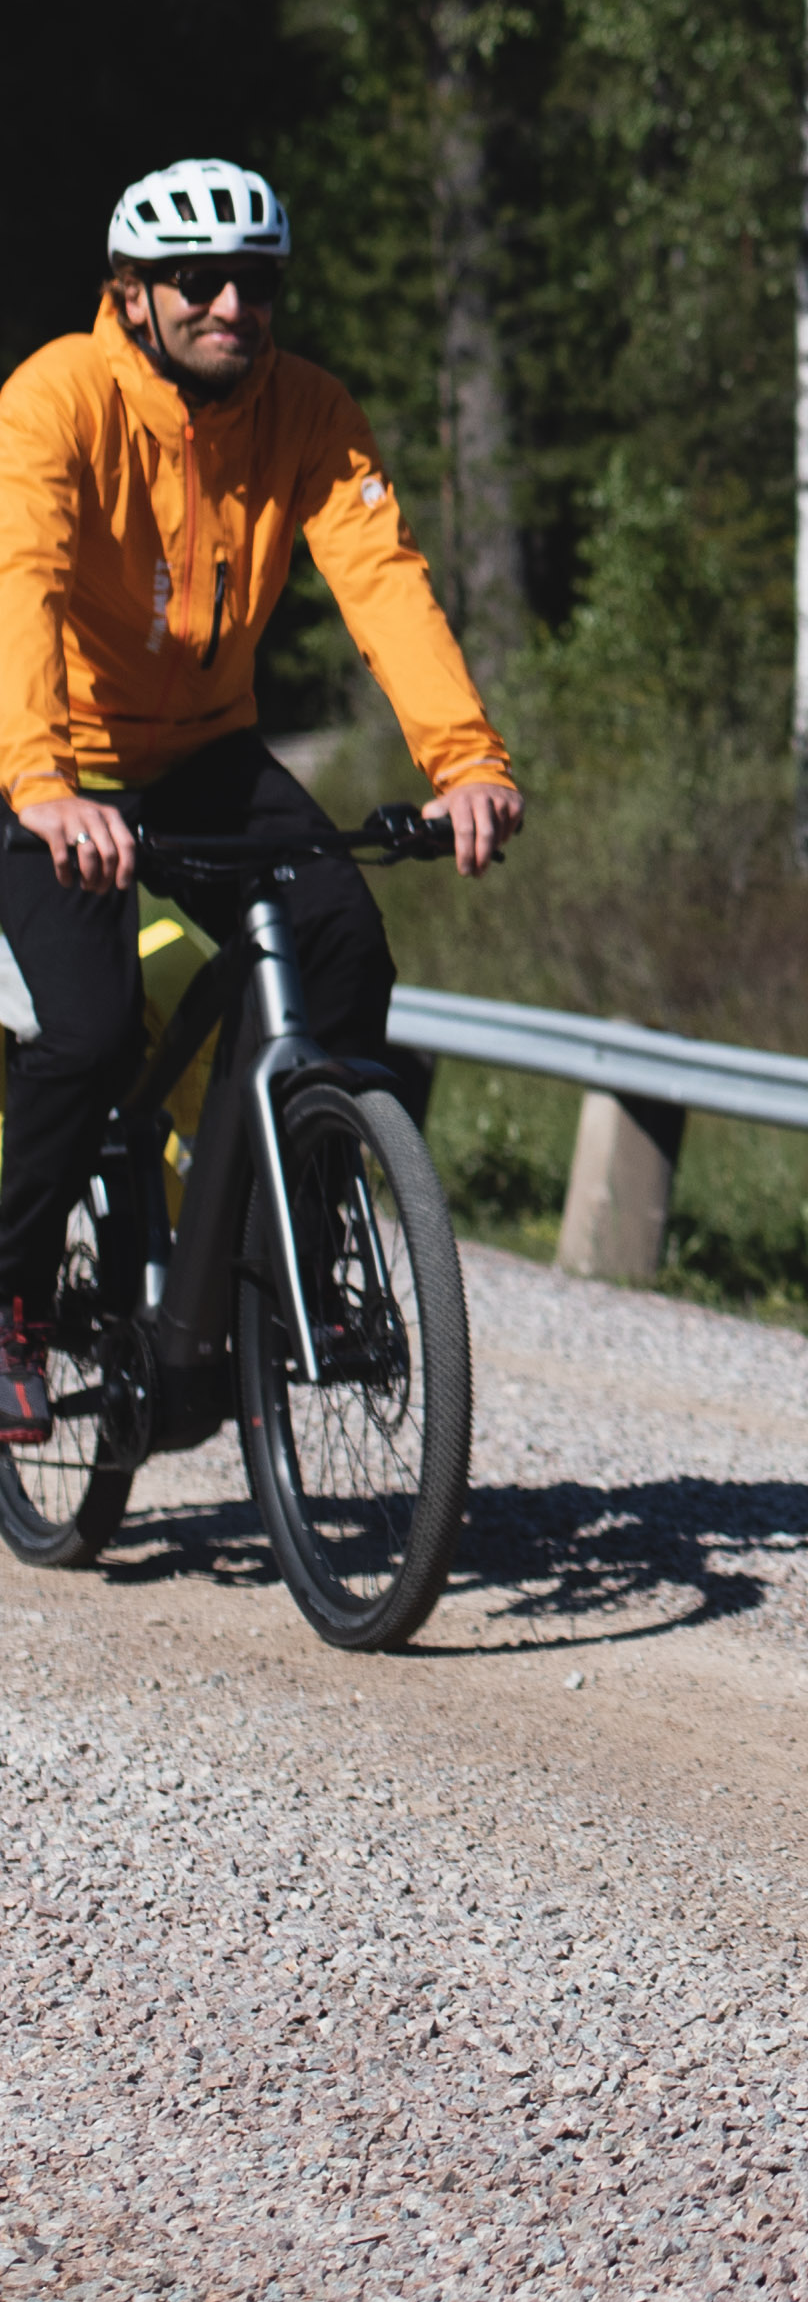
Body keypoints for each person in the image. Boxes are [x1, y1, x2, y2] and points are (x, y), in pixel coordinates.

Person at [0, 158, 524, 1440]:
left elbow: (382, 580)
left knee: (344, 943)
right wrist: (44, 786)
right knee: (85, 1033)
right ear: (134, 294)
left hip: (202, 753)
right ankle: (10, 1300)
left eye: (256, 280)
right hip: (45, 759)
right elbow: (24, 580)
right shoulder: (56, 400)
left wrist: (463, 761)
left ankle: (256, 1258)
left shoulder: (307, 410)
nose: (231, 303)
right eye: (199, 281)